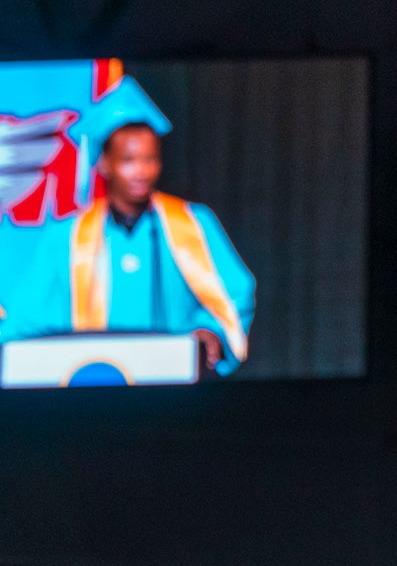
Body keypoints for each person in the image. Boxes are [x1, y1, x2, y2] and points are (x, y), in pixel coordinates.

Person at [0, 121, 254, 376]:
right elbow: (29, 313)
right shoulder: (67, 236)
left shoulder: (193, 224)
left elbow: (233, 292)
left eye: (150, 159)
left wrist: (209, 330)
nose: (141, 172)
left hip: (173, 379)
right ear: (105, 164)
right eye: (128, 160)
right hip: (94, 383)